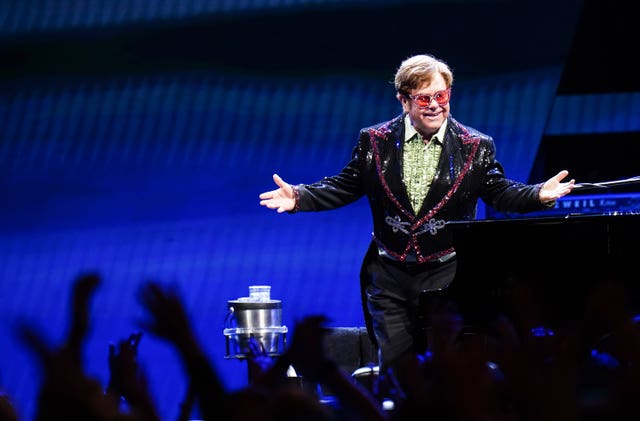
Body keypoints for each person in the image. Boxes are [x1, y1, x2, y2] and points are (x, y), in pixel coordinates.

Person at [259, 53, 575, 392]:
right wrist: (300, 197)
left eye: (442, 96)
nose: (436, 105)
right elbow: (346, 184)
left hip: (447, 278)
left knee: (449, 374)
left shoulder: (475, 147)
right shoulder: (374, 141)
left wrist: (538, 194)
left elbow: (500, 191)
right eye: (425, 98)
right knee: (399, 373)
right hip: (388, 278)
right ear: (404, 100)